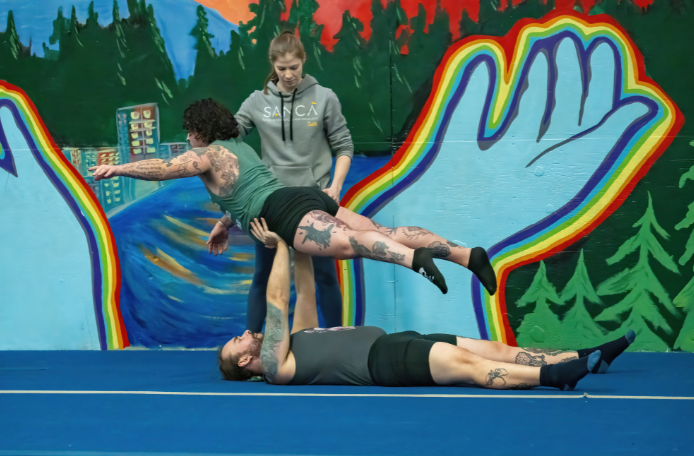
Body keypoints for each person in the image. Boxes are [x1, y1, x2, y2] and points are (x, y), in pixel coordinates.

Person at [89, 98, 497, 296]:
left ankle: (415, 261)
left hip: (283, 212)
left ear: (198, 130)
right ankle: (464, 254)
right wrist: (221, 225)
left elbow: (163, 169)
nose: (188, 138)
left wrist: (117, 167)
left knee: (351, 244)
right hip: (299, 197)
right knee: (379, 229)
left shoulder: (206, 154)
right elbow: (241, 194)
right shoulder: (239, 149)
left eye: (189, 131)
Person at [218, 220, 636, 389]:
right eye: (235, 343)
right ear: (243, 363)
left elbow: (303, 292)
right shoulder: (275, 365)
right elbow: (276, 301)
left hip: (399, 342)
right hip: (386, 362)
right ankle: (555, 376)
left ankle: (585, 356)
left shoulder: (293, 341)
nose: (242, 335)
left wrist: (295, 234)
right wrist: (274, 246)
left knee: (494, 349)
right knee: (471, 368)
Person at [214, 31, 352, 332]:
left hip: (312, 201)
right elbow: (227, 148)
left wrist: (336, 186)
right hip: (269, 204)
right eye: (281, 68)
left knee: (326, 275)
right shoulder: (255, 101)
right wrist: (227, 217)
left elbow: (344, 146)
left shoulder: (324, 97)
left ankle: (337, 341)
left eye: (294, 67)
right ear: (272, 66)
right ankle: (251, 341)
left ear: (303, 61)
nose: (288, 75)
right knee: (262, 274)